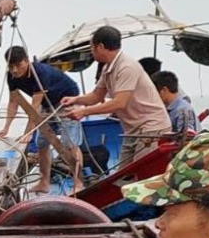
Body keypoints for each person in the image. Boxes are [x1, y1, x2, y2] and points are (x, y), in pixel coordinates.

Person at [59, 25, 170, 163]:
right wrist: (75, 100)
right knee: (122, 177)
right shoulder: (107, 68)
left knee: (140, 176)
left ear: (100, 47)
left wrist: (84, 112)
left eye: (91, 48)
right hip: (132, 131)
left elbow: (119, 103)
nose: (91, 52)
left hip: (151, 129)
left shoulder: (126, 67)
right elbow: (96, 96)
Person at [0, 45, 83, 194]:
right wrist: (6, 128)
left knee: (70, 143)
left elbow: (34, 106)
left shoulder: (39, 73)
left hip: (67, 99)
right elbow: (14, 101)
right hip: (47, 103)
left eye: (18, 65)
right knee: (42, 143)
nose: (15, 70)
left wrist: (28, 133)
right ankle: (44, 182)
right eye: (11, 66)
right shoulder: (11, 76)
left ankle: (78, 182)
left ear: (26, 61)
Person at [156, 69, 200, 137]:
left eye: (155, 93)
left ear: (164, 90)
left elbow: (186, 137)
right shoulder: (169, 108)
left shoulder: (182, 109)